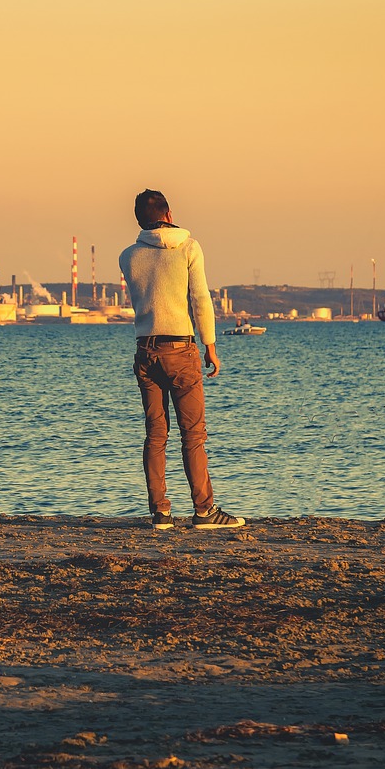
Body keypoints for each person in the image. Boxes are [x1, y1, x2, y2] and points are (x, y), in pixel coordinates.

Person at [118, 189, 245, 530]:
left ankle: (160, 513)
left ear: (140, 220)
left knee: (155, 435)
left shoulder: (128, 256)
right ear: (170, 214)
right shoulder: (189, 248)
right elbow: (200, 298)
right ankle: (205, 511)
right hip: (181, 350)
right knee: (193, 434)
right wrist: (211, 346)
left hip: (145, 350)